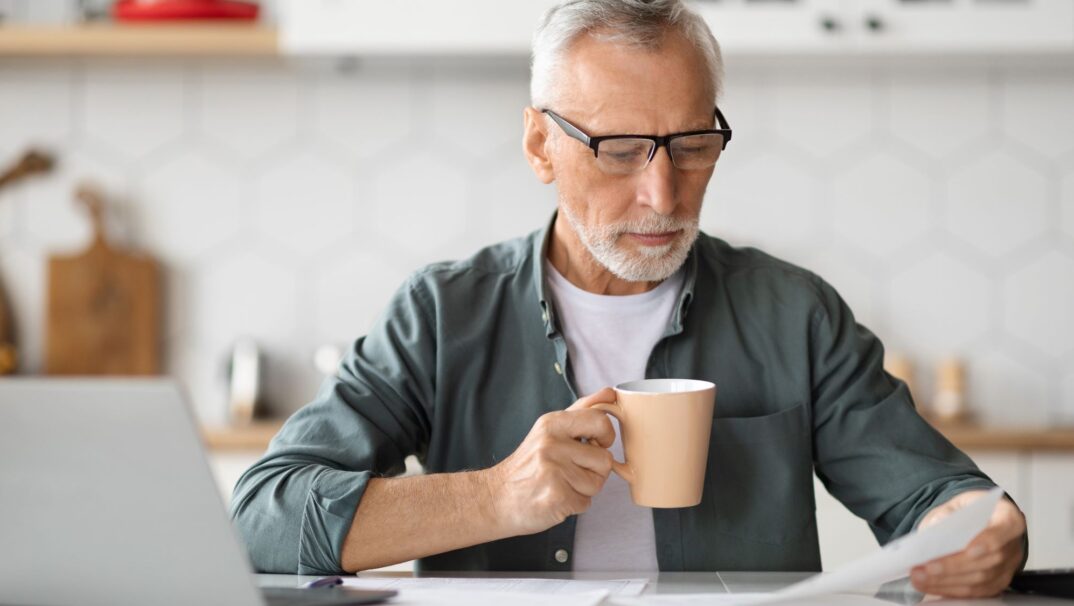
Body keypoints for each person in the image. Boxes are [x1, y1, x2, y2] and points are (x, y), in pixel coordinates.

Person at [231, 0, 1027, 597]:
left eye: (691, 145)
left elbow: (936, 497)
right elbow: (262, 519)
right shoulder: (443, 315)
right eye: (618, 151)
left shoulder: (796, 314)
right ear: (541, 144)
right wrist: (496, 497)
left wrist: (986, 533)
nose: (662, 193)